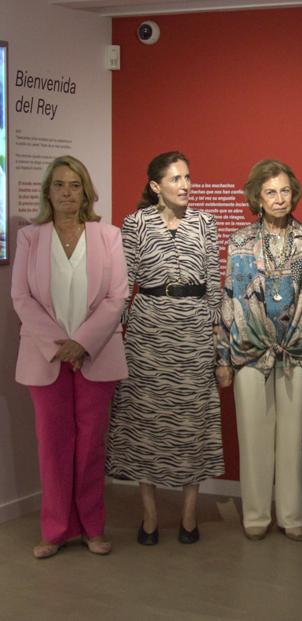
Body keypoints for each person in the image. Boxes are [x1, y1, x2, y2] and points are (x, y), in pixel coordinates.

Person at [11, 155, 128, 558]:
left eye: (74, 185)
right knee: (53, 445)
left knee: (91, 446)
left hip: (96, 355)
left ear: (86, 191)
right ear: (48, 191)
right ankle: (56, 529)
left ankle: (92, 527)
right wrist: (61, 345)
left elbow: (117, 297)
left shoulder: (107, 236)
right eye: (59, 185)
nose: (66, 192)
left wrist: (83, 343)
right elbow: (21, 298)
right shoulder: (29, 238)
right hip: (46, 358)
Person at [106, 151, 224, 545]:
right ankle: (151, 517)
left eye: (188, 176)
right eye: (176, 179)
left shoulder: (206, 223)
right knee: (146, 422)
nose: (186, 184)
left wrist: (213, 339)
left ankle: (189, 517)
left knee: (192, 420)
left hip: (192, 334)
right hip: (148, 333)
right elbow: (123, 289)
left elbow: (214, 287)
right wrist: (114, 338)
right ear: (156, 186)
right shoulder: (135, 224)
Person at [216, 159, 302, 542]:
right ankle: (256, 514)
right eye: (270, 192)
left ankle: (293, 516)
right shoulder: (239, 242)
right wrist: (223, 357)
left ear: (293, 193)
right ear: (257, 198)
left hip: (299, 350)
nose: (279, 199)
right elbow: (229, 298)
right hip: (250, 350)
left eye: (284, 190)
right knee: (253, 437)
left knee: (291, 438)